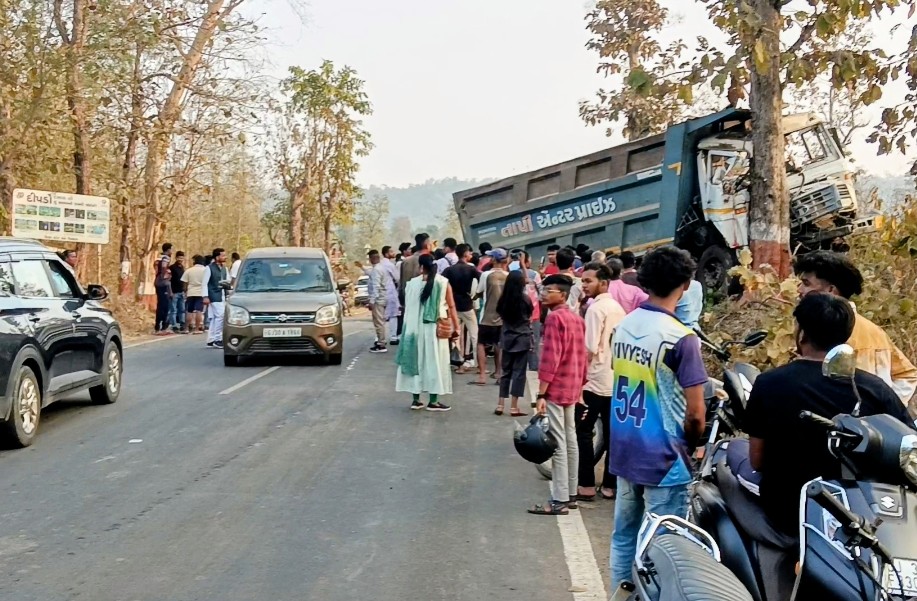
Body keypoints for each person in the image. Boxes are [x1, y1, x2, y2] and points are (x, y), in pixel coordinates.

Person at [742, 293, 914, 535]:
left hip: (787, 511)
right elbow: (905, 449)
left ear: (801, 333)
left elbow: (756, 461)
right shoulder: (875, 389)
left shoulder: (769, 383)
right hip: (862, 516)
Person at [608, 246, 708, 595]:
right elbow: (696, 414)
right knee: (663, 549)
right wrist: (692, 446)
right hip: (664, 457)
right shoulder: (681, 338)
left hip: (624, 448)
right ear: (685, 283)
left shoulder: (624, 326)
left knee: (624, 535)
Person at [795, 250, 917, 404]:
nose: (799, 290)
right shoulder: (874, 330)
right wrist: (886, 408)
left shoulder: (827, 331)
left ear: (831, 290)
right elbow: (907, 375)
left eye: (806, 284)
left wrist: (881, 407)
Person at [528, 274, 588, 516]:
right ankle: (571, 494)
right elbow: (583, 356)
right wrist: (581, 386)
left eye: (548, 290)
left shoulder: (554, 319)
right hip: (573, 385)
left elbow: (550, 359)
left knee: (558, 442)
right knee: (570, 438)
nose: (543, 294)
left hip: (557, 387)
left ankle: (559, 499)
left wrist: (541, 393)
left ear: (561, 295)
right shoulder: (576, 319)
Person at [576, 262, 626, 501]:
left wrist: (578, 379)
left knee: (584, 432)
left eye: (588, 281)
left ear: (604, 283)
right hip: (615, 378)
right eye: (583, 281)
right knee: (612, 434)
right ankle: (610, 485)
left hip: (595, 379)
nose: (584, 285)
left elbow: (589, 348)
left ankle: (585, 483)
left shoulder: (596, 310)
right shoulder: (618, 308)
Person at [395, 254, 460, 412]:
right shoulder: (443, 283)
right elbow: (451, 307)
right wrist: (456, 327)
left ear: (420, 267)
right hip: (434, 331)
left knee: (415, 363)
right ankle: (433, 400)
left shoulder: (411, 285)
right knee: (435, 363)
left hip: (414, 331)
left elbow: (407, 307)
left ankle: (416, 400)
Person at [495, 270, 532, 417]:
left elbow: (500, 314)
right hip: (522, 337)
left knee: (506, 372)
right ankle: (514, 406)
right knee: (519, 373)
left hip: (507, 337)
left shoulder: (503, 300)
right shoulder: (525, 299)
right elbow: (530, 314)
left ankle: (500, 404)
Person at [473, 248, 509, 386]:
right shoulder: (508, 275)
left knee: (481, 344)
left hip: (486, 315)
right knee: (499, 345)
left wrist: (475, 297)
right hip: (502, 316)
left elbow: (479, 291)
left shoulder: (486, 275)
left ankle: (482, 375)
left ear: (494, 259)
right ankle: (499, 373)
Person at [443, 244, 479, 373]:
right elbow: (481, 282)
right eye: (469, 253)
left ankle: (458, 362)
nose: (471, 255)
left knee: (455, 335)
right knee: (475, 334)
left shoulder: (449, 270)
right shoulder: (471, 269)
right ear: (465, 254)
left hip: (453, 306)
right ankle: (478, 362)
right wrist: (475, 296)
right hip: (467, 305)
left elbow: (442, 285)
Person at [202, 247, 230, 348]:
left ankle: (211, 339)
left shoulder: (225, 268)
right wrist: (205, 296)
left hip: (222, 295)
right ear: (217, 257)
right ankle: (218, 339)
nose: (225, 257)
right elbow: (204, 283)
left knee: (214, 318)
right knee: (220, 316)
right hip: (213, 295)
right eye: (223, 255)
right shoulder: (209, 268)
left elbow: (228, 282)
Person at [367, 249, 388, 353]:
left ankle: (381, 343)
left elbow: (376, 287)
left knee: (379, 322)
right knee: (380, 321)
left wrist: (372, 301)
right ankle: (381, 341)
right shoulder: (380, 268)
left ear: (372, 258)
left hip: (378, 300)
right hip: (382, 298)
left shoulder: (376, 270)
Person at [182, 255, 207, 335]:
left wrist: (185, 291)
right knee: (199, 311)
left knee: (189, 311)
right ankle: (196, 329)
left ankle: (186, 328)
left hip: (191, 292)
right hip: (201, 293)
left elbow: (184, 282)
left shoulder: (189, 270)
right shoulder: (205, 270)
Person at [169, 251, 187, 333]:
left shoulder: (182, 268)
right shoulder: (172, 268)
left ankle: (182, 324)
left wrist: (185, 290)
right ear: (176, 258)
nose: (180, 259)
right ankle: (174, 325)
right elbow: (169, 280)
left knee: (182, 309)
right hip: (174, 291)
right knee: (173, 310)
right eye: (179, 258)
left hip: (181, 291)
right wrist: (170, 291)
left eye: (182, 258)